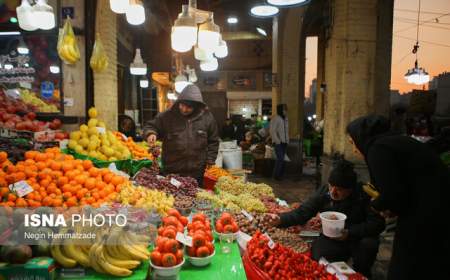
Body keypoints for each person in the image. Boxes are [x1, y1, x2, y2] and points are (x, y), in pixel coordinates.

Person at [346, 114, 450, 280]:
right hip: (435, 207)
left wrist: (377, 205)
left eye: (353, 143)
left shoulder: (377, 149)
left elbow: (393, 194)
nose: (354, 149)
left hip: (427, 213)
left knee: (407, 265)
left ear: (361, 137)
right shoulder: (394, 142)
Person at [268, 159, 385, 277]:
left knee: (368, 245)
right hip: (334, 236)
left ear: (350, 189)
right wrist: (281, 220)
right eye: (331, 186)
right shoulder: (325, 192)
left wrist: (350, 232)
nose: (333, 192)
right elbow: (303, 212)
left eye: (339, 189)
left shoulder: (363, 195)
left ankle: (362, 272)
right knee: (318, 254)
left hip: (358, 236)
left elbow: (377, 224)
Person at [143, 85, 219, 186]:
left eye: (189, 107)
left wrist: (211, 159)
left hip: (197, 173)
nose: (184, 109)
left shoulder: (207, 118)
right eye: (182, 105)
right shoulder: (167, 116)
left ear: (197, 106)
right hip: (172, 172)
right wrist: (150, 133)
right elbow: (150, 126)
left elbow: (213, 140)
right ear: (178, 102)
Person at [270, 104, 289, 180]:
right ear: (280, 110)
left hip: (285, 142)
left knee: (282, 159)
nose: (286, 111)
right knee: (280, 158)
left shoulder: (286, 119)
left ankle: (280, 175)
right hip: (278, 142)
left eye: (286, 109)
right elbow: (272, 131)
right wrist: (277, 141)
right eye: (284, 109)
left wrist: (287, 140)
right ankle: (276, 176)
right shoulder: (276, 119)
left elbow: (286, 131)